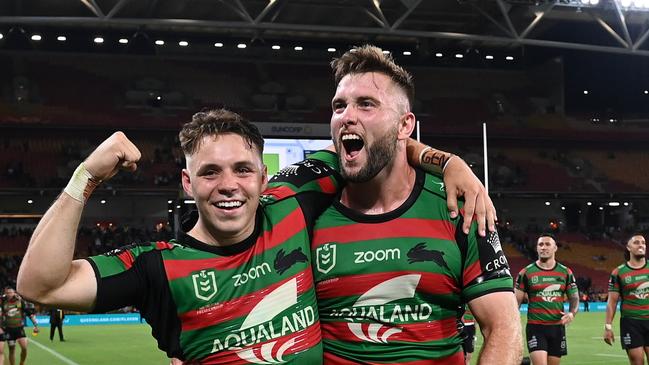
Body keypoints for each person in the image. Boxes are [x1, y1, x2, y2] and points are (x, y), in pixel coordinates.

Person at [17, 108, 492, 363]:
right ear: (188, 184)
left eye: (244, 169)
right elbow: (40, 285)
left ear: (265, 178)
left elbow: (375, 141)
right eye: (210, 173)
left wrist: (449, 163)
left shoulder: (292, 200)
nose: (229, 184)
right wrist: (85, 176)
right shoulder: (158, 266)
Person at [310, 45, 521, 364]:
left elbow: (503, 329)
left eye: (366, 105)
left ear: (405, 126)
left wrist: (450, 163)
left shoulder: (459, 207)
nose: (348, 116)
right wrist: (447, 160)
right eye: (339, 106)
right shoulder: (307, 212)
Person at [515, 233, 579, 365]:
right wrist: (512, 326)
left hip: (557, 328)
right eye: (540, 244)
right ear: (537, 248)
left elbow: (574, 297)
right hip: (535, 327)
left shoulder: (566, 272)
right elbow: (515, 303)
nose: (543, 247)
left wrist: (572, 313)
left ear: (555, 248)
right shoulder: (526, 273)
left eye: (547, 244)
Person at [604, 234, 649, 365]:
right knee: (637, 362)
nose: (641, 244)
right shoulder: (618, 272)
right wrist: (608, 327)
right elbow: (612, 301)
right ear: (628, 247)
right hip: (631, 323)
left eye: (643, 242)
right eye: (636, 242)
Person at [0, 287, 38, 365]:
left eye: (11, 292)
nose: (9, 294)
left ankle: (22, 363)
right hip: (8, 330)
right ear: (5, 293)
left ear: (14, 293)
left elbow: (29, 313)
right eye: (7, 293)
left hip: (19, 329)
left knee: (24, 347)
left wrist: (35, 325)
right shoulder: (3, 301)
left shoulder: (20, 301)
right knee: (12, 349)